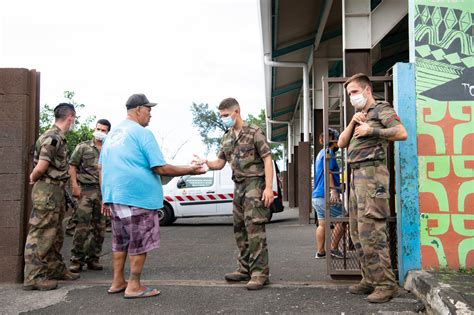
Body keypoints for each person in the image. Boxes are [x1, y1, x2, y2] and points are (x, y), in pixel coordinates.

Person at [99, 93, 204, 299]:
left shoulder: (113, 135)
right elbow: (160, 167)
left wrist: (105, 196)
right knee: (138, 242)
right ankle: (134, 286)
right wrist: (191, 170)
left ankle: (118, 281)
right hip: (138, 197)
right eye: (149, 109)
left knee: (120, 241)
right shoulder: (141, 133)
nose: (150, 114)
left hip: (116, 197)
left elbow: (102, 166)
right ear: (138, 109)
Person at [338, 73, 407, 303]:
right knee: (357, 232)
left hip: (372, 175)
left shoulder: (381, 109)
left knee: (373, 232)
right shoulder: (361, 115)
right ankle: (370, 279)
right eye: (349, 94)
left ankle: (386, 285)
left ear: (367, 90)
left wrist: (373, 131)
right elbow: (341, 143)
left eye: (354, 92)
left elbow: (400, 132)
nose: (351, 97)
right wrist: (353, 121)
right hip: (356, 175)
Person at [202, 97, 274, 290]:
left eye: (226, 115)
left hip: (254, 184)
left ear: (237, 111)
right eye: (221, 115)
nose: (223, 118)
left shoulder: (254, 132)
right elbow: (219, 163)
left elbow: (268, 159)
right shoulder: (226, 137)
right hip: (239, 186)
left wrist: (268, 188)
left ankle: (260, 273)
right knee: (239, 229)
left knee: (254, 228)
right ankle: (244, 269)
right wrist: (205, 163)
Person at [23, 103, 80, 291]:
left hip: (55, 191)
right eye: (74, 118)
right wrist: (33, 178)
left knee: (55, 232)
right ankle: (33, 277)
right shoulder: (52, 138)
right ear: (70, 117)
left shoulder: (58, 138)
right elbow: (41, 167)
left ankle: (55, 268)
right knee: (41, 233)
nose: (74, 121)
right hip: (47, 191)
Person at [68, 119, 111, 273]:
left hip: (102, 193)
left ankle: (93, 259)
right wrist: (74, 185)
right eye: (98, 128)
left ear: (108, 132)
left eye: (104, 130)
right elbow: (72, 166)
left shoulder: (109, 149)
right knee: (82, 227)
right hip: (85, 191)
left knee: (100, 228)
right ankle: (76, 260)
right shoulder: (83, 147)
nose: (100, 132)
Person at [312, 129, 344, 259]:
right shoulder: (329, 152)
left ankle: (320, 252)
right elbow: (328, 171)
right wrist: (333, 190)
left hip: (317, 195)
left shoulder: (320, 153)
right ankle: (334, 249)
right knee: (342, 219)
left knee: (322, 224)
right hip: (326, 194)